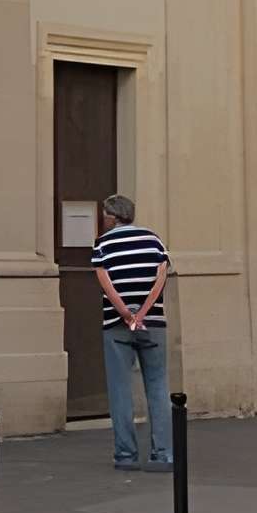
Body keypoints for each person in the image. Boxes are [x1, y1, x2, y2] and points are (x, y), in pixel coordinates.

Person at [91, 192, 174, 470]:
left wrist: (127, 315)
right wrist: (143, 313)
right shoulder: (154, 240)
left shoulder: (103, 244)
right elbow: (161, 278)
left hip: (116, 325)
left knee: (120, 389)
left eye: (104, 215)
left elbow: (105, 283)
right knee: (158, 386)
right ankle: (163, 453)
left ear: (112, 217)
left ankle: (126, 455)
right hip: (153, 323)